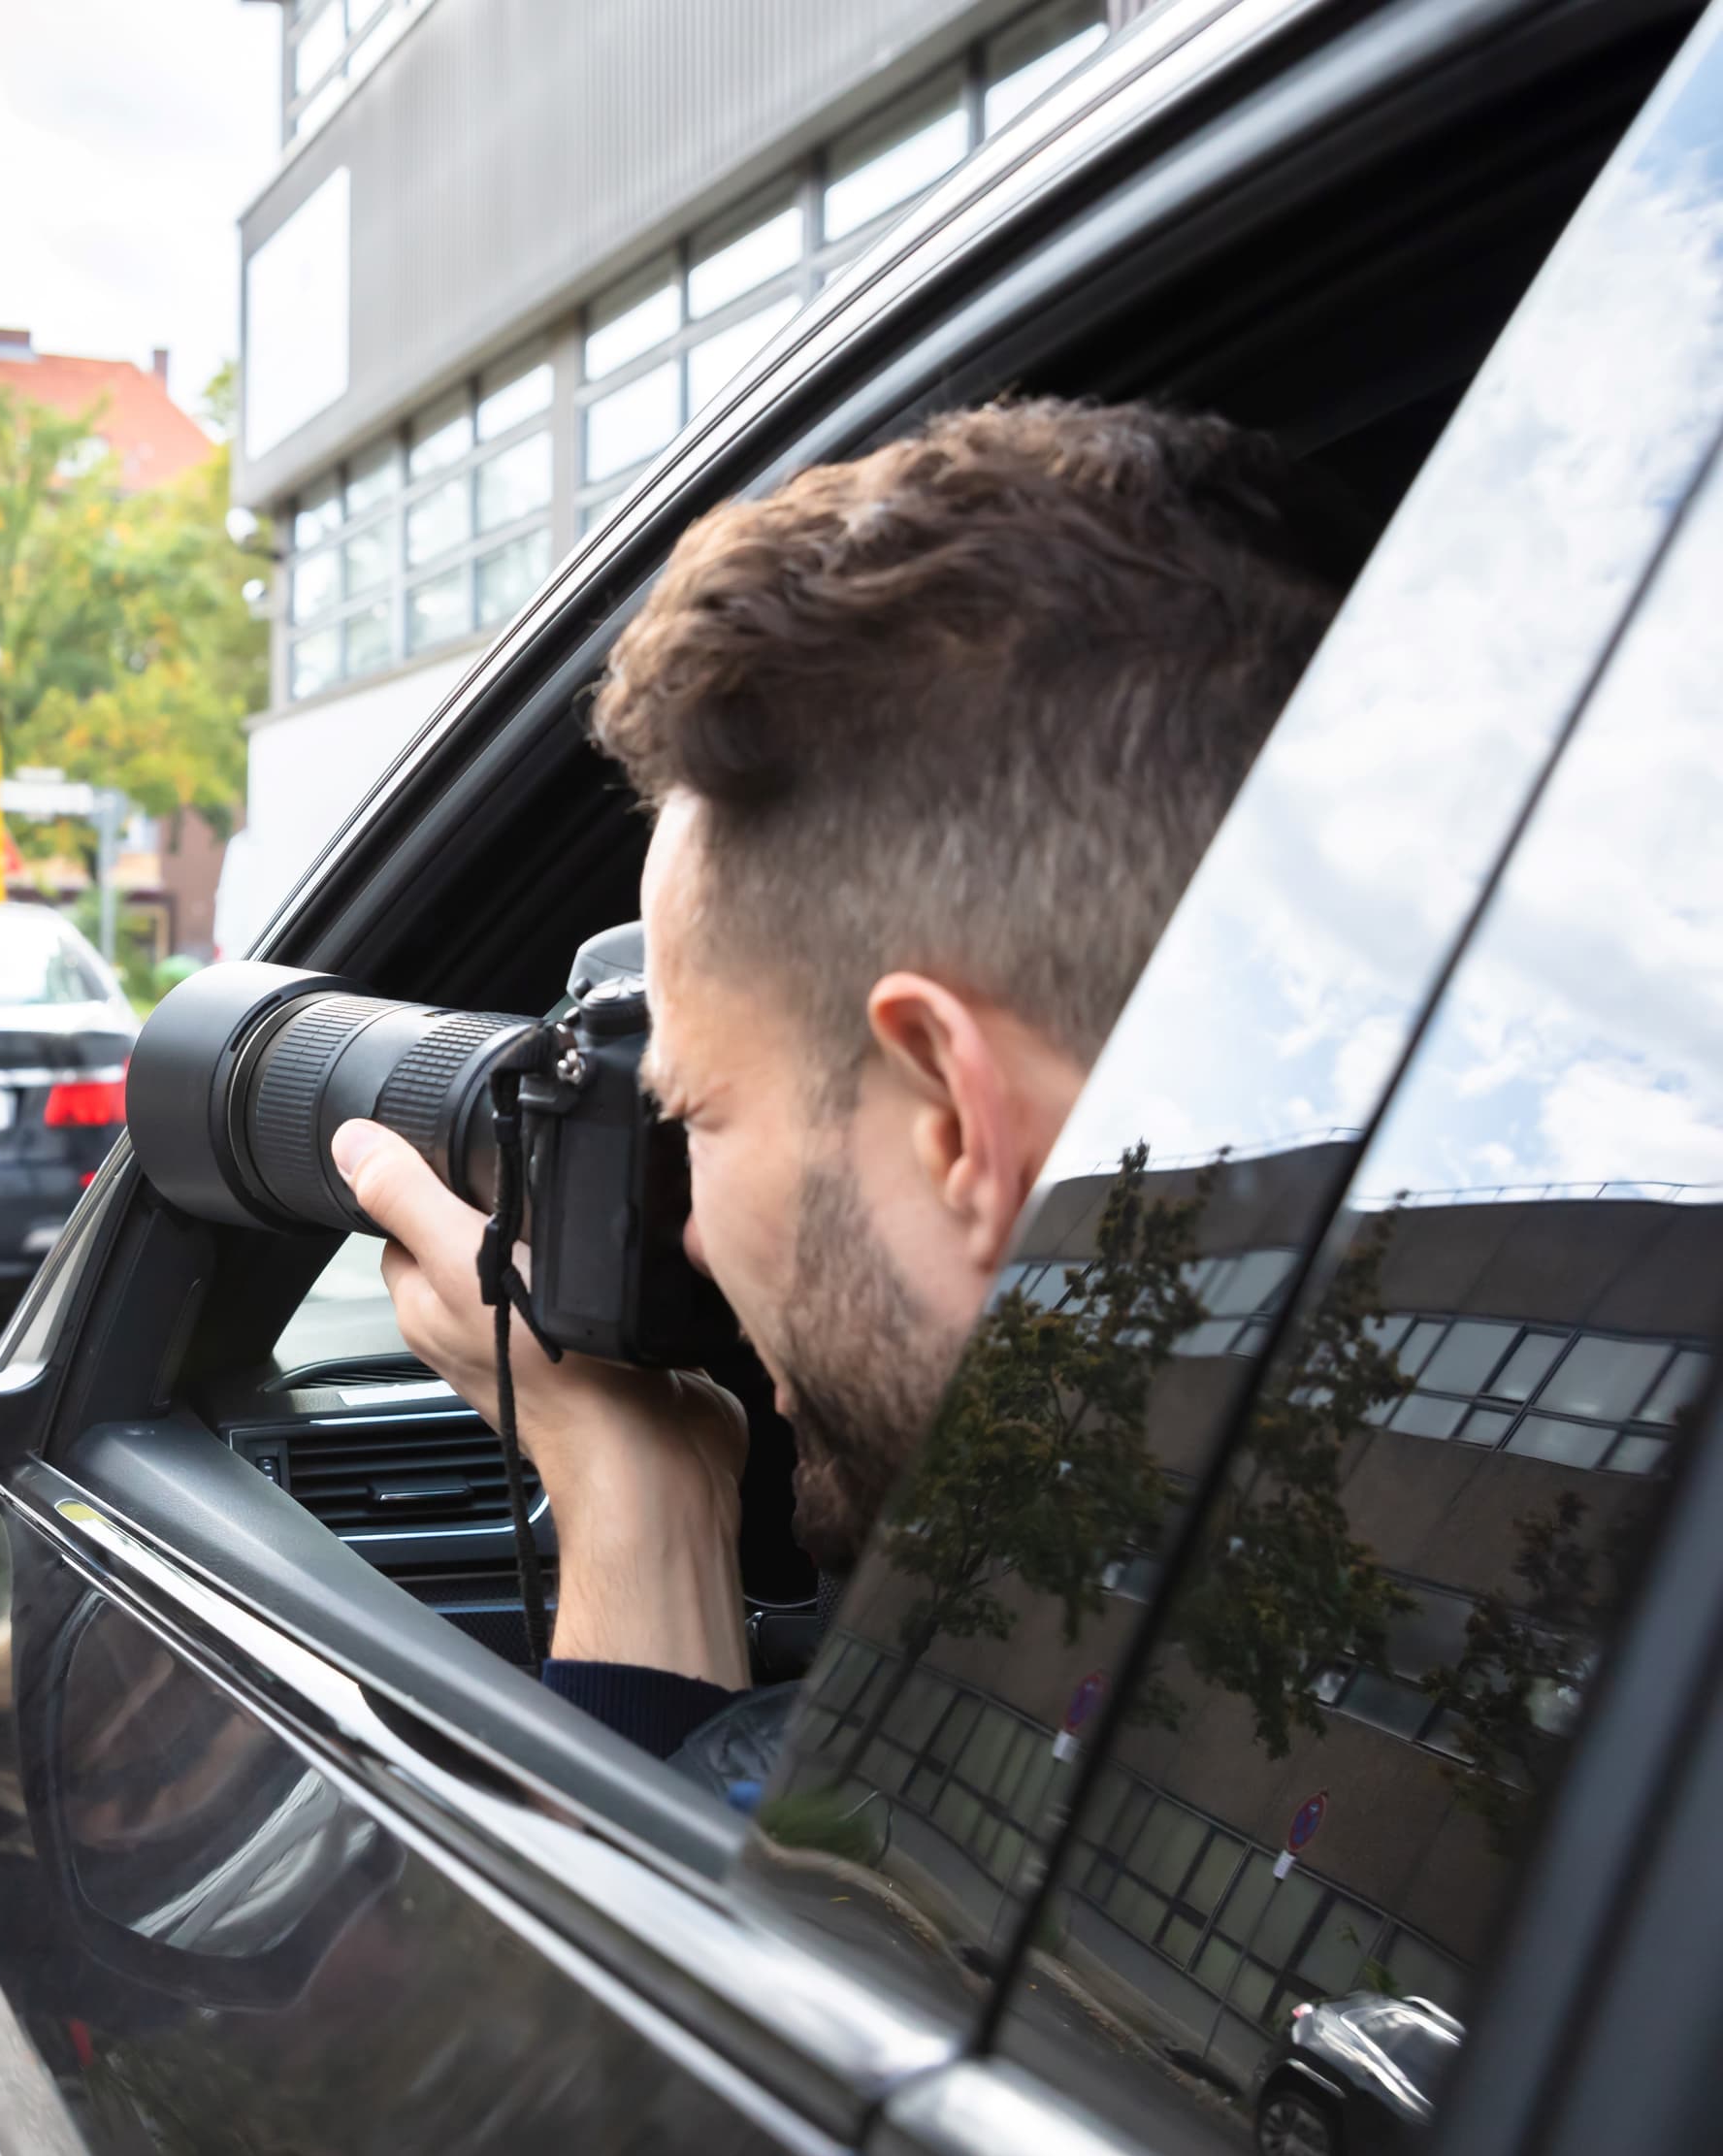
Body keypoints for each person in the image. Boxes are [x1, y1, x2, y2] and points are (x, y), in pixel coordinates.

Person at [332, 401, 1343, 1760]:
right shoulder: (1328, 1601)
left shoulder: (1016, 1744)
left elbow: (645, 1977)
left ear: (957, 1129)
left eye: (694, 1113)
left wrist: (632, 1513)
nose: (684, 1227)